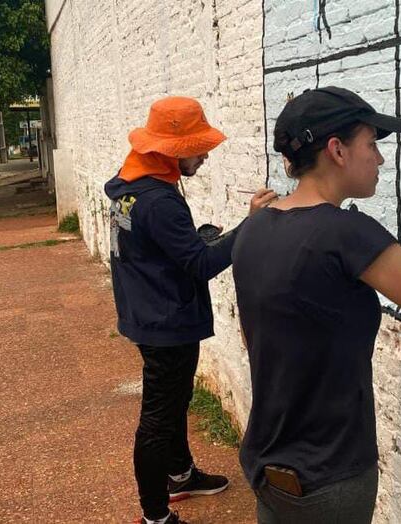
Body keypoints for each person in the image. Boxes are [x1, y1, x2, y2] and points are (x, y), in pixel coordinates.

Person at [231, 86, 401, 523]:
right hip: (329, 480)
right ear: (338, 150)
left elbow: (256, 336)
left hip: (268, 467)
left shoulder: (254, 228)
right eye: (371, 145)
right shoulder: (346, 234)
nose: (380, 160)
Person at [104, 96, 277, 524]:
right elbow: (201, 265)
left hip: (145, 309)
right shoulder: (160, 201)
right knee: (158, 417)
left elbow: (148, 247)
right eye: (198, 149)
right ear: (171, 150)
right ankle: (156, 517)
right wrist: (250, 223)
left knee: (176, 400)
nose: (203, 157)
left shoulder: (129, 184)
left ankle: (180, 475)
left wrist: (195, 237)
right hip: (167, 321)